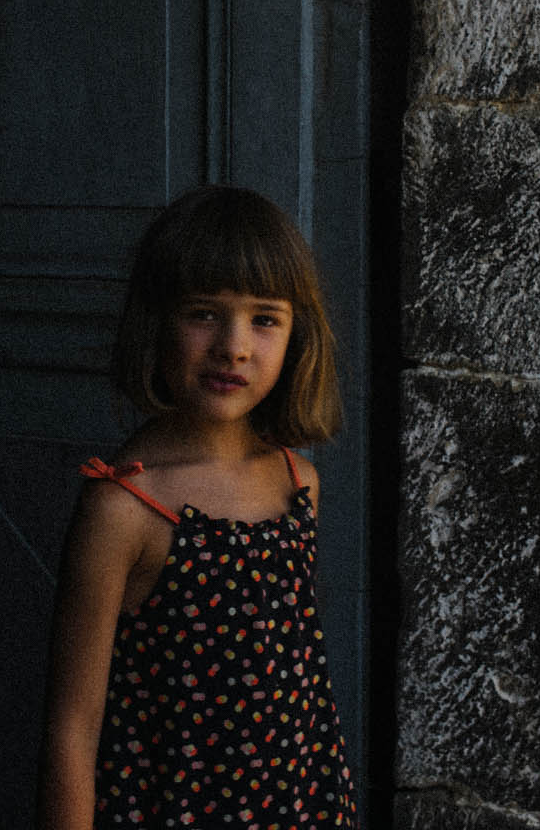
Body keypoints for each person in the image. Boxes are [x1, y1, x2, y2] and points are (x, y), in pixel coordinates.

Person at [38, 185, 356, 829]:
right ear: (157, 322)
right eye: (204, 314)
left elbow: (293, 693)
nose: (233, 346)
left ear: (297, 335)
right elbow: (73, 730)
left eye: (265, 319)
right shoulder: (124, 506)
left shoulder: (299, 484)